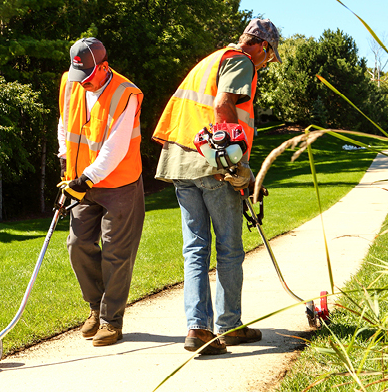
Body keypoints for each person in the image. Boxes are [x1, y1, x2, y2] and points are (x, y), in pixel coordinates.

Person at [151, 19, 281, 355]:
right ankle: (229, 326)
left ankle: (198, 328)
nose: (266, 64)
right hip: (213, 166)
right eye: (269, 57)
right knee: (229, 248)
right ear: (262, 47)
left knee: (195, 249)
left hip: (181, 162)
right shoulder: (241, 61)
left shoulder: (212, 59)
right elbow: (223, 106)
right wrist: (237, 166)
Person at [57, 37, 145, 347]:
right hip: (82, 181)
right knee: (77, 244)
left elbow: (116, 147)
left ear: (104, 67)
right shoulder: (72, 82)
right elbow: (64, 123)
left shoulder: (126, 93)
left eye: (89, 76)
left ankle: (111, 320)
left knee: (115, 252)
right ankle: (95, 308)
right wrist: (65, 164)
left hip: (119, 183)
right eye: (78, 75)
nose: (83, 83)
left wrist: (85, 178)